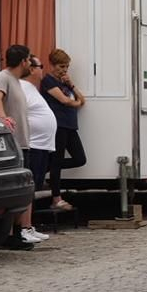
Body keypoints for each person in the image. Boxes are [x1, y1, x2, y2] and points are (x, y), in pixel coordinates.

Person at [0, 44, 39, 249]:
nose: (31, 65)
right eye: (30, 60)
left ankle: (16, 233)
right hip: (13, 144)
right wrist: (3, 118)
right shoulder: (3, 78)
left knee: (22, 188)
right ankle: (10, 234)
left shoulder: (17, 81)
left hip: (23, 143)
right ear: (23, 61)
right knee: (16, 188)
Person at [41, 50, 86, 211]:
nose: (64, 70)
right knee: (58, 161)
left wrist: (71, 84)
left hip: (70, 125)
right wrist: (77, 103)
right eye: (61, 66)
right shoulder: (48, 81)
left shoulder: (63, 83)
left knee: (79, 159)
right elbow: (64, 100)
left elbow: (82, 99)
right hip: (58, 125)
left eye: (67, 67)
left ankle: (46, 166)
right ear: (52, 65)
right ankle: (56, 198)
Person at [22, 56, 58, 237]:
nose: (42, 70)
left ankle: (28, 226)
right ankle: (23, 228)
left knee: (35, 187)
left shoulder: (33, 89)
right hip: (33, 144)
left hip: (42, 145)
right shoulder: (22, 87)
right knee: (29, 187)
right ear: (31, 69)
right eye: (40, 66)